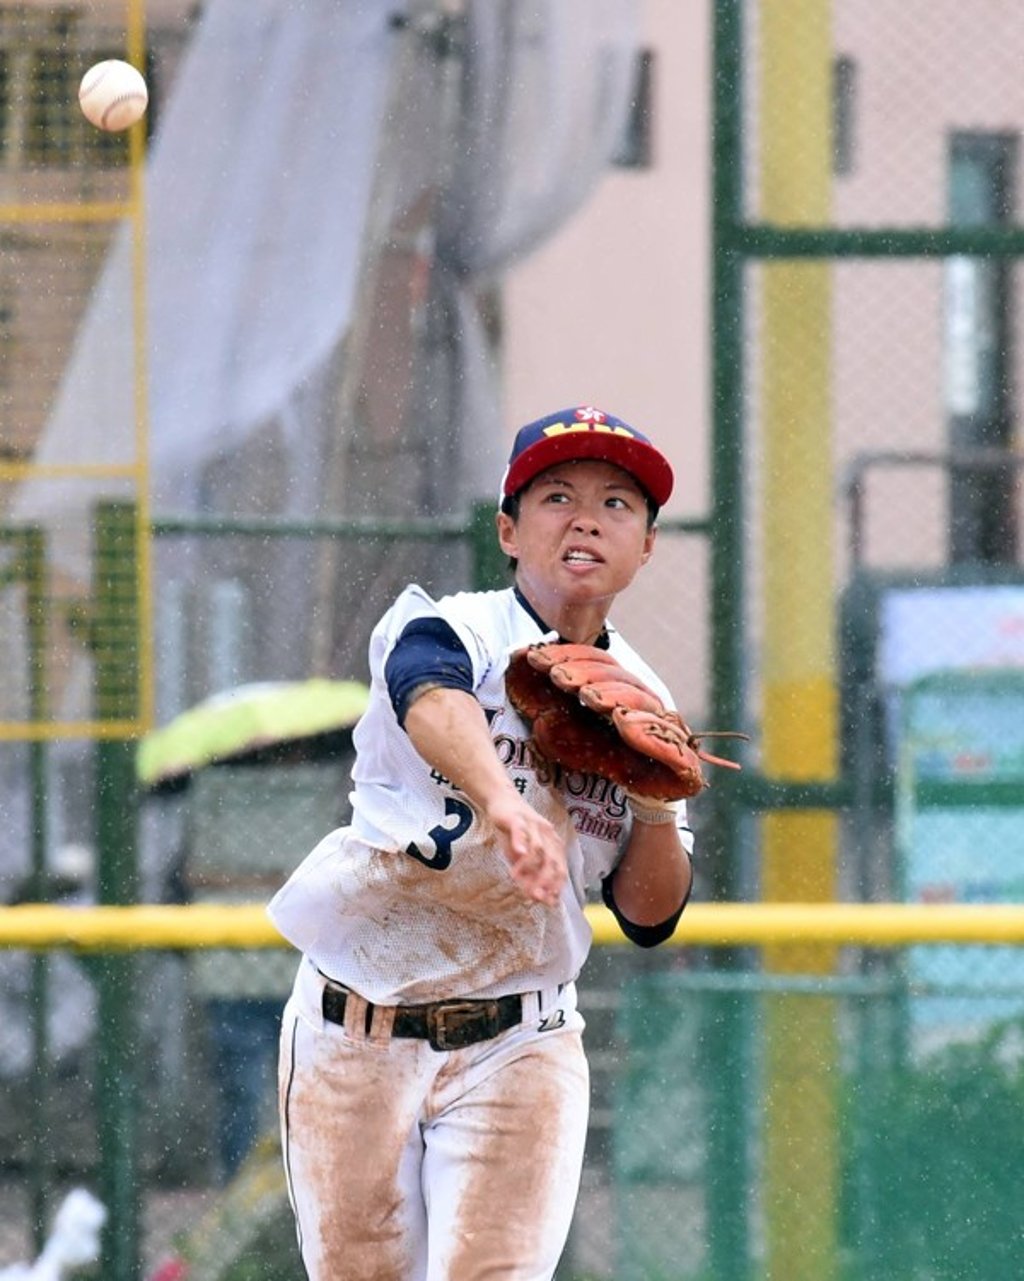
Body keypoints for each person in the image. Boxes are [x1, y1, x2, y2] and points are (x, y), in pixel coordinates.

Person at [268, 405, 695, 1280]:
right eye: (556, 496)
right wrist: (505, 803)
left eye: (619, 502)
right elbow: (430, 697)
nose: (586, 517)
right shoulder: (445, 627)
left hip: (519, 1037)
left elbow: (650, 917)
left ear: (646, 546)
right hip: (358, 1024)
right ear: (508, 528)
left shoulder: (647, 699)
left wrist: (653, 800)